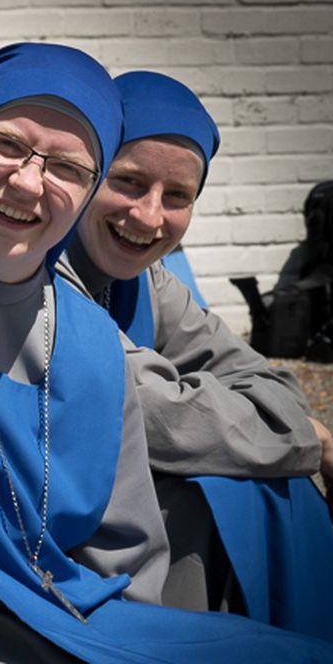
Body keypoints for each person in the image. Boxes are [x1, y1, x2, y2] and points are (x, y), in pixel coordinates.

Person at [0, 42, 333, 663]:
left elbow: (126, 553)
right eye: (4, 144)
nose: (27, 182)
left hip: (51, 603)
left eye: (67, 167)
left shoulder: (86, 332)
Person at [60, 70, 333, 638]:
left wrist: (282, 426)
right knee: (230, 487)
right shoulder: (38, 272)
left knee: (268, 481)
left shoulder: (150, 279)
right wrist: (314, 437)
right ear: (87, 171)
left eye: (177, 196)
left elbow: (264, 379)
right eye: (128, 180)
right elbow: (152, 412)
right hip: (54, 537)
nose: (149, 216)